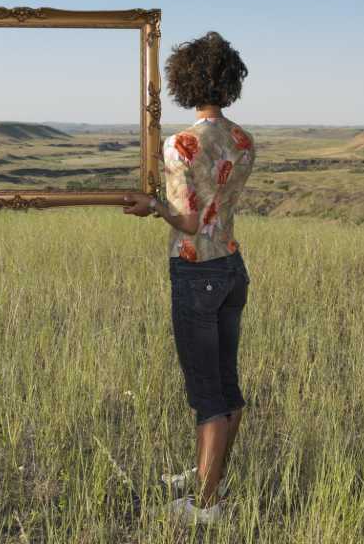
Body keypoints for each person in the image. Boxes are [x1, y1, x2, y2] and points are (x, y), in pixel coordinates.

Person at [123, 31, 255, 526]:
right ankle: (209, 477)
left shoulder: (182, 144)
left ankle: (205, 506)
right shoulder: (243, 139)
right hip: (231, 266)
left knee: (207, 397)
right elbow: (216, 211)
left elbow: (187, 220)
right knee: (227, 385)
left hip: (195, 269)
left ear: (184, 80)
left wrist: (152, 205)